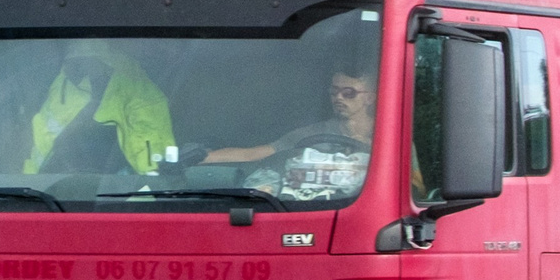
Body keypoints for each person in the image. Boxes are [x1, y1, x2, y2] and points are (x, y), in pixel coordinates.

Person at [204, 67, 378, 201]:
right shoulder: (312, 133)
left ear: (369, 98)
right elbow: (253, 154)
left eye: (348, 93)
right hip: (312, 207)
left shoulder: (388, 134)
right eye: (334, 92)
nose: (338, 98)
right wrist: (196, 157)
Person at [23, 42, 176, 175]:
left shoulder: (137, 89)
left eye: (89, 62)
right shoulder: (62, 89)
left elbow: (153, 165)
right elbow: (41, 148)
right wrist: (29, 191)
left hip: (122, 198)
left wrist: (148, 197)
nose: (84, 68)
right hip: (57, 195)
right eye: (78, 63)